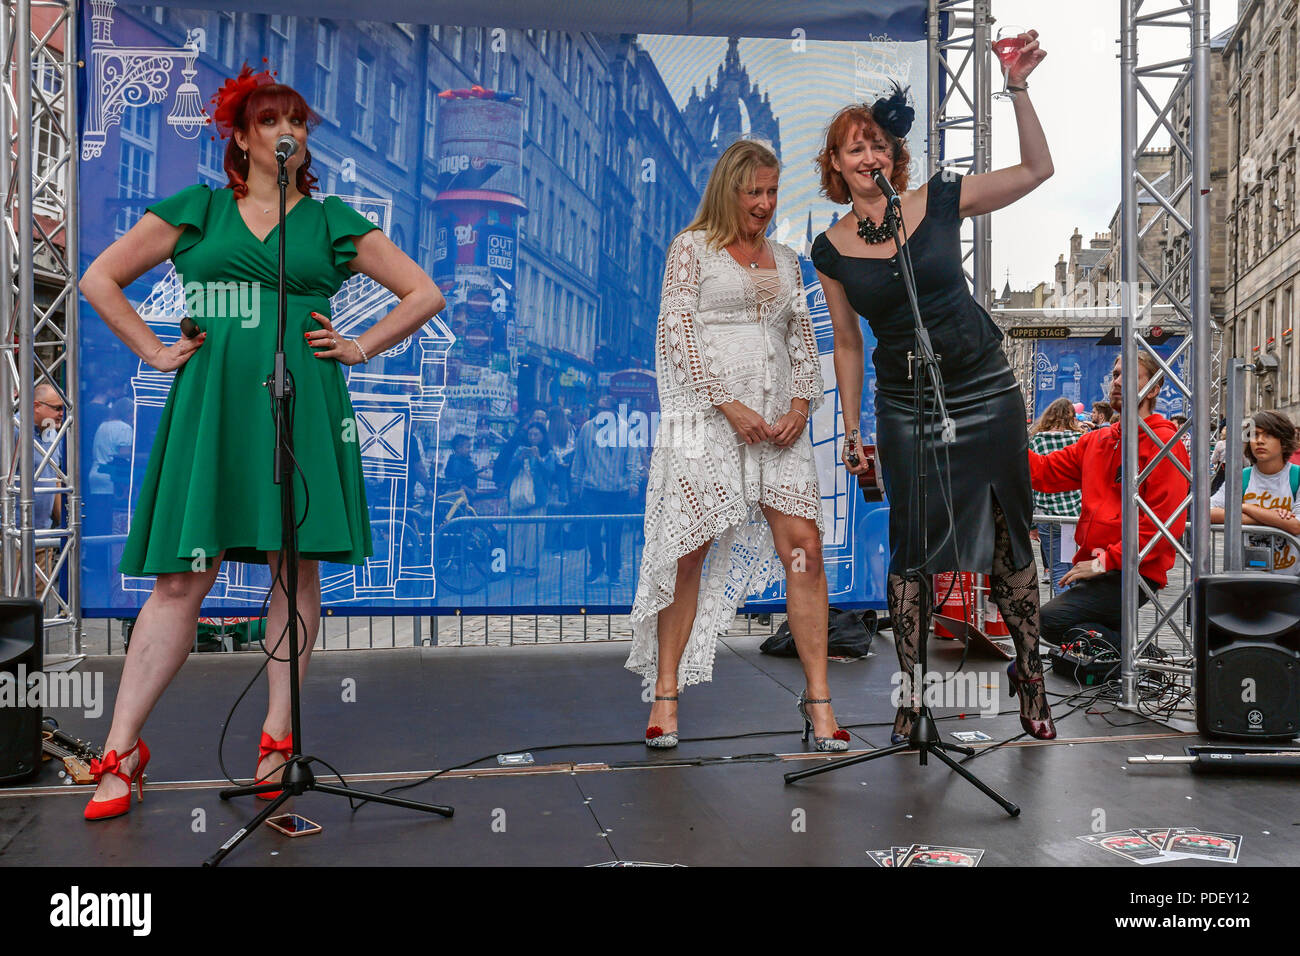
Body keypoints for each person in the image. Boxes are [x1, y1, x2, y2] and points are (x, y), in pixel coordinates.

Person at [76, 65, 444, 821]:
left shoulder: (332, 219)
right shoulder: (199, 210)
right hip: (211, 409)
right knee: (182, 579)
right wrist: (151, 349)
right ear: (241, 137)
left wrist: (363, 346)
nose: (289, 132)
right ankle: (121, 748)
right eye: (272, 119)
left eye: (299, 122)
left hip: (301, 405)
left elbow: (424, 293)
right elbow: (99, 279)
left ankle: (278, 740)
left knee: (293, 567)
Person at [813, 33, 1057, 742]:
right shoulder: (831, 249)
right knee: (912, 551)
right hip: (905, 403)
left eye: (877, 145)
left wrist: (1016, 87)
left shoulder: (942, 199)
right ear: (835, 164)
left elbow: (1039, 169)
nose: (867, 157)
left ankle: (1030, 678)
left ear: (894, 156)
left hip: (984, 387)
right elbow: (850, 342)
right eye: (853, 148)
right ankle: (913, 695)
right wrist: (855, 430)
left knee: (1011, 541)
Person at [627, 138, 847, 753]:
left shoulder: (786, 258)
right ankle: (666, 691)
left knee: (803, 550)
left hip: (779, 428)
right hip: (706, 423)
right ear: (729, 190)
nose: (765, 204)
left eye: (773, 192)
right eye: (754, 192)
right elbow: (676, 337)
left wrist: (802, 403)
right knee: (688, 550)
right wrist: (727, 404)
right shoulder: (690, 250)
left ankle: (819, 698)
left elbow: (804, 341)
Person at [1028, 353, 1190, 646]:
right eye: (1115, 374)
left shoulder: (1164, 444)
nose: (1117, 381)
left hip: (1131, 571)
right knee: (1080, 635)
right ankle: (1128, 661)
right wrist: (1002, 437)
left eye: (1128, 375)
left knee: (1049, 621)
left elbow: (1163, 529)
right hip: (1096, 566)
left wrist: (1103, 563)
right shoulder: (1097, 441)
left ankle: (1138, 658)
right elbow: (1043, 472)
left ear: (1153, 389)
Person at [1210, 410, 1300, 573]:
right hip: (1247, 576)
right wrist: (1272, 518)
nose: (1259, 441)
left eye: (1269, 435)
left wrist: (1243, 507)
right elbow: (1207, 512)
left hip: (1290, 579)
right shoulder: (1241, 478)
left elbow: (1296, 525)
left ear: (1284, 440)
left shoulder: (1297, 477)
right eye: (1254, 435)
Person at [570, 393, 641, 584]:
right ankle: (597, 565)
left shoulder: (626, 430)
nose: (601, 412)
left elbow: (633, 460)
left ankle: (613, 571)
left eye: (605, 409)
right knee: (592, 532)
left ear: (613, 411)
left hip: (618, 491)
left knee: (614, 534)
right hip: (593, 490)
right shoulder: (587, 428)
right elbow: (579, 458)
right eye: (599, 409)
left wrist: (634, 483)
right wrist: (575, 482)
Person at [1028, 397, 1083, 595]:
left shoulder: (1037, 441)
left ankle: (1066, 619)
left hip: (1047, 514)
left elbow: (1031, 484)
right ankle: (1074, 615)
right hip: (1075, 514)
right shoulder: (1080, 439)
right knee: (1075, 569)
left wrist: (1032, 524)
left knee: (1059, 571)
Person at [499, 421, 556, 575]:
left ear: (543, 436)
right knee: (516, 531)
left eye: (536, 434)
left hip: (538, 497)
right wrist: (519, 459)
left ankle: (531, 566)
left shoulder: (549, 453)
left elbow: (550, 472)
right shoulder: (519, 449)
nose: (532, 437)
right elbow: (509, 469)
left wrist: (538, 459)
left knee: (534, 532)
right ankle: (514, 563)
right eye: (530, 434)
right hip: (518, 494)